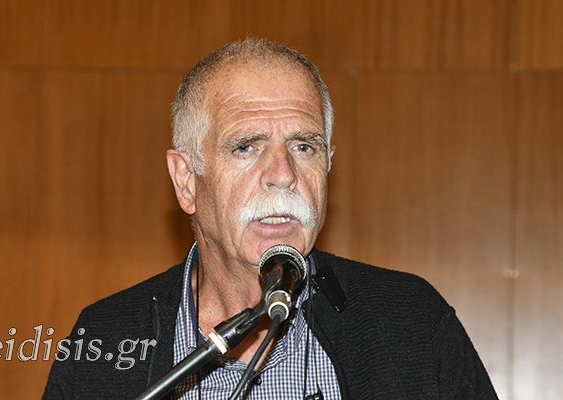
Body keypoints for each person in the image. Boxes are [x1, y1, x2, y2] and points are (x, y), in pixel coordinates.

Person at [43, 38, 499, 400]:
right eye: (246, 147)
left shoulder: (410, 323)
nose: (283, 174)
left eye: (305, 146)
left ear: (328, 165)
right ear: (186, 181)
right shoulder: (106, 341)